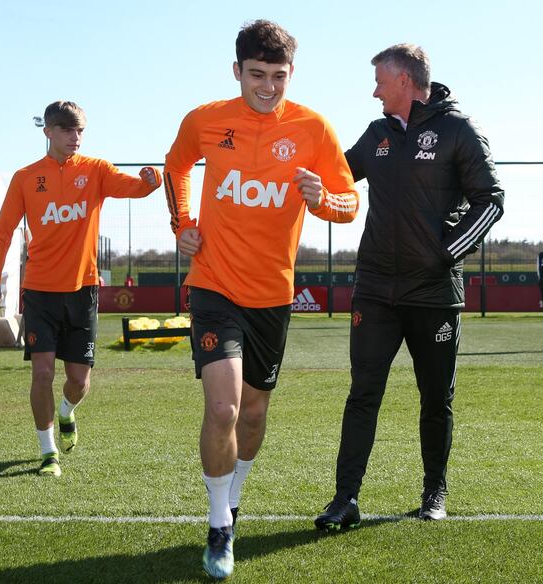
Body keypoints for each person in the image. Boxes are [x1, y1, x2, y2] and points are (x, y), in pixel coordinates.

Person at [164, 20, 358, 579]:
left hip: (272, 295)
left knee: (252, 414)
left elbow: (349, 203)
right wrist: (183, 221)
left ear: (290, 74)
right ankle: (219, 524)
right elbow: (176, 165)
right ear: (237, 71)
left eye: (279, 76)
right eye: (257, 74)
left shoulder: (313, 128)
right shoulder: (205, 119)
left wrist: (323, 200)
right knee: (222, 407)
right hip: (213, 286)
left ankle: (234, 498)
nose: (268, 86)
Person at [315, 44, 505, 530]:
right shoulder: (377, 134)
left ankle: (434, 490)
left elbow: (491, 202)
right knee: (363, 394)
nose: (373, 89)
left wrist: (443, 255)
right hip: (376, 289)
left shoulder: (458, 130)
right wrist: (309, 182)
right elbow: (338, 176)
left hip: (434, 294)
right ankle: (345, 499)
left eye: (380, 79)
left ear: (404, 80)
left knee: (435, 397)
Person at [0, 100, 161, 478]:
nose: (75, 137)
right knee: (42, 373)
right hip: (40, 293)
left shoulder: (95, 170)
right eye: (66, 130)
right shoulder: (26, 177)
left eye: (79, 130)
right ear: (47, 131)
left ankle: (66, 411)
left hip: (83, 292)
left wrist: (150, 181)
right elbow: (3, 230)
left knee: (79, 380)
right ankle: (48, 453)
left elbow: (134, 189)